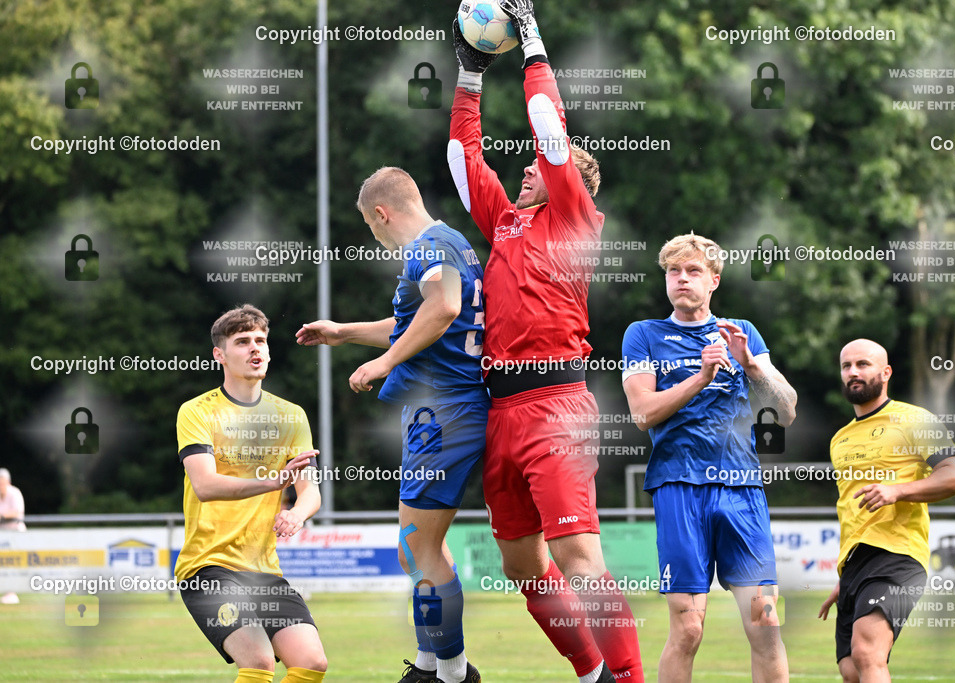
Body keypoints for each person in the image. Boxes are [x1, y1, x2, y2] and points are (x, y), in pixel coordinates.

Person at [448, 2, 643, 681]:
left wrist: (531, 41)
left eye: (538, 165)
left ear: (573, 188)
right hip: (501, 411)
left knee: (579, 555)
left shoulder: (573, 221)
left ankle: (629, 679)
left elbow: (549, 130)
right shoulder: (506, 223)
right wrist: (469, 76)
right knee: (522, 565)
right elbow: (462, 158)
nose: (528, 168)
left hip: (556, 406)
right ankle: (591, 672)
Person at [296, 167, 487, 683]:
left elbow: (444, 307)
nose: (373, 236)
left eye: (370, 226)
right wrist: (345, 332)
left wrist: (383, 364)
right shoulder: (450, 243)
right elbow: (419, 320)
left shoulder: (429, 247)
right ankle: (431, 666)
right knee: (421, 547)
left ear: (381, 214)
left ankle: (449, 674)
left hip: (444, 411)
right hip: (445, 409)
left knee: (416, 547)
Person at [621, 234, 795, 682]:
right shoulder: (643, 335)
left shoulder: (742, 332)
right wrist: (702, 376)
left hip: (742, 491)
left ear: (714, 280)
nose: (682, 279)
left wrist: (751, 365)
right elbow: (642, 414)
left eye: (693, 271)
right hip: (678, 489)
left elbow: (788, 410)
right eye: (674, 272)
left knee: (766, 624)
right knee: (688, 629)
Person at [175, 304, 328, 683]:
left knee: (311, 662)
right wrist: (273, 483)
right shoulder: (197, 412)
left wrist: (297, 513)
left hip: (264, 569)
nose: (255, 348)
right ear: (220, 355)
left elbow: (310, 490)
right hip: (208, 567)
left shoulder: (291, 415)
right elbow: (205, 486)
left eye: (261, 340)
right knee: (259, 661)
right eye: (242, 342)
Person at [818, 339, 955, 683]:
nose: (853, 372)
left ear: (885, 372)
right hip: (856, 564)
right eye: (846, 366)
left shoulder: (914, 419)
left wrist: (897, 490)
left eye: (863, 364)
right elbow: (852, 512)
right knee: (851, 670)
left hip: (898, 555)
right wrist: (846, 575)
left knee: (867, 651)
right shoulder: (839, 438)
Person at [0, 467, 26, 604]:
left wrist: (2, 516)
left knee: (10, 563)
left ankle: (11, 594)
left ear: (8, 482)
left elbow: (17, 512)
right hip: (2, 535)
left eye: (1, 482)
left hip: (15, 535)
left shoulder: (15, 493)